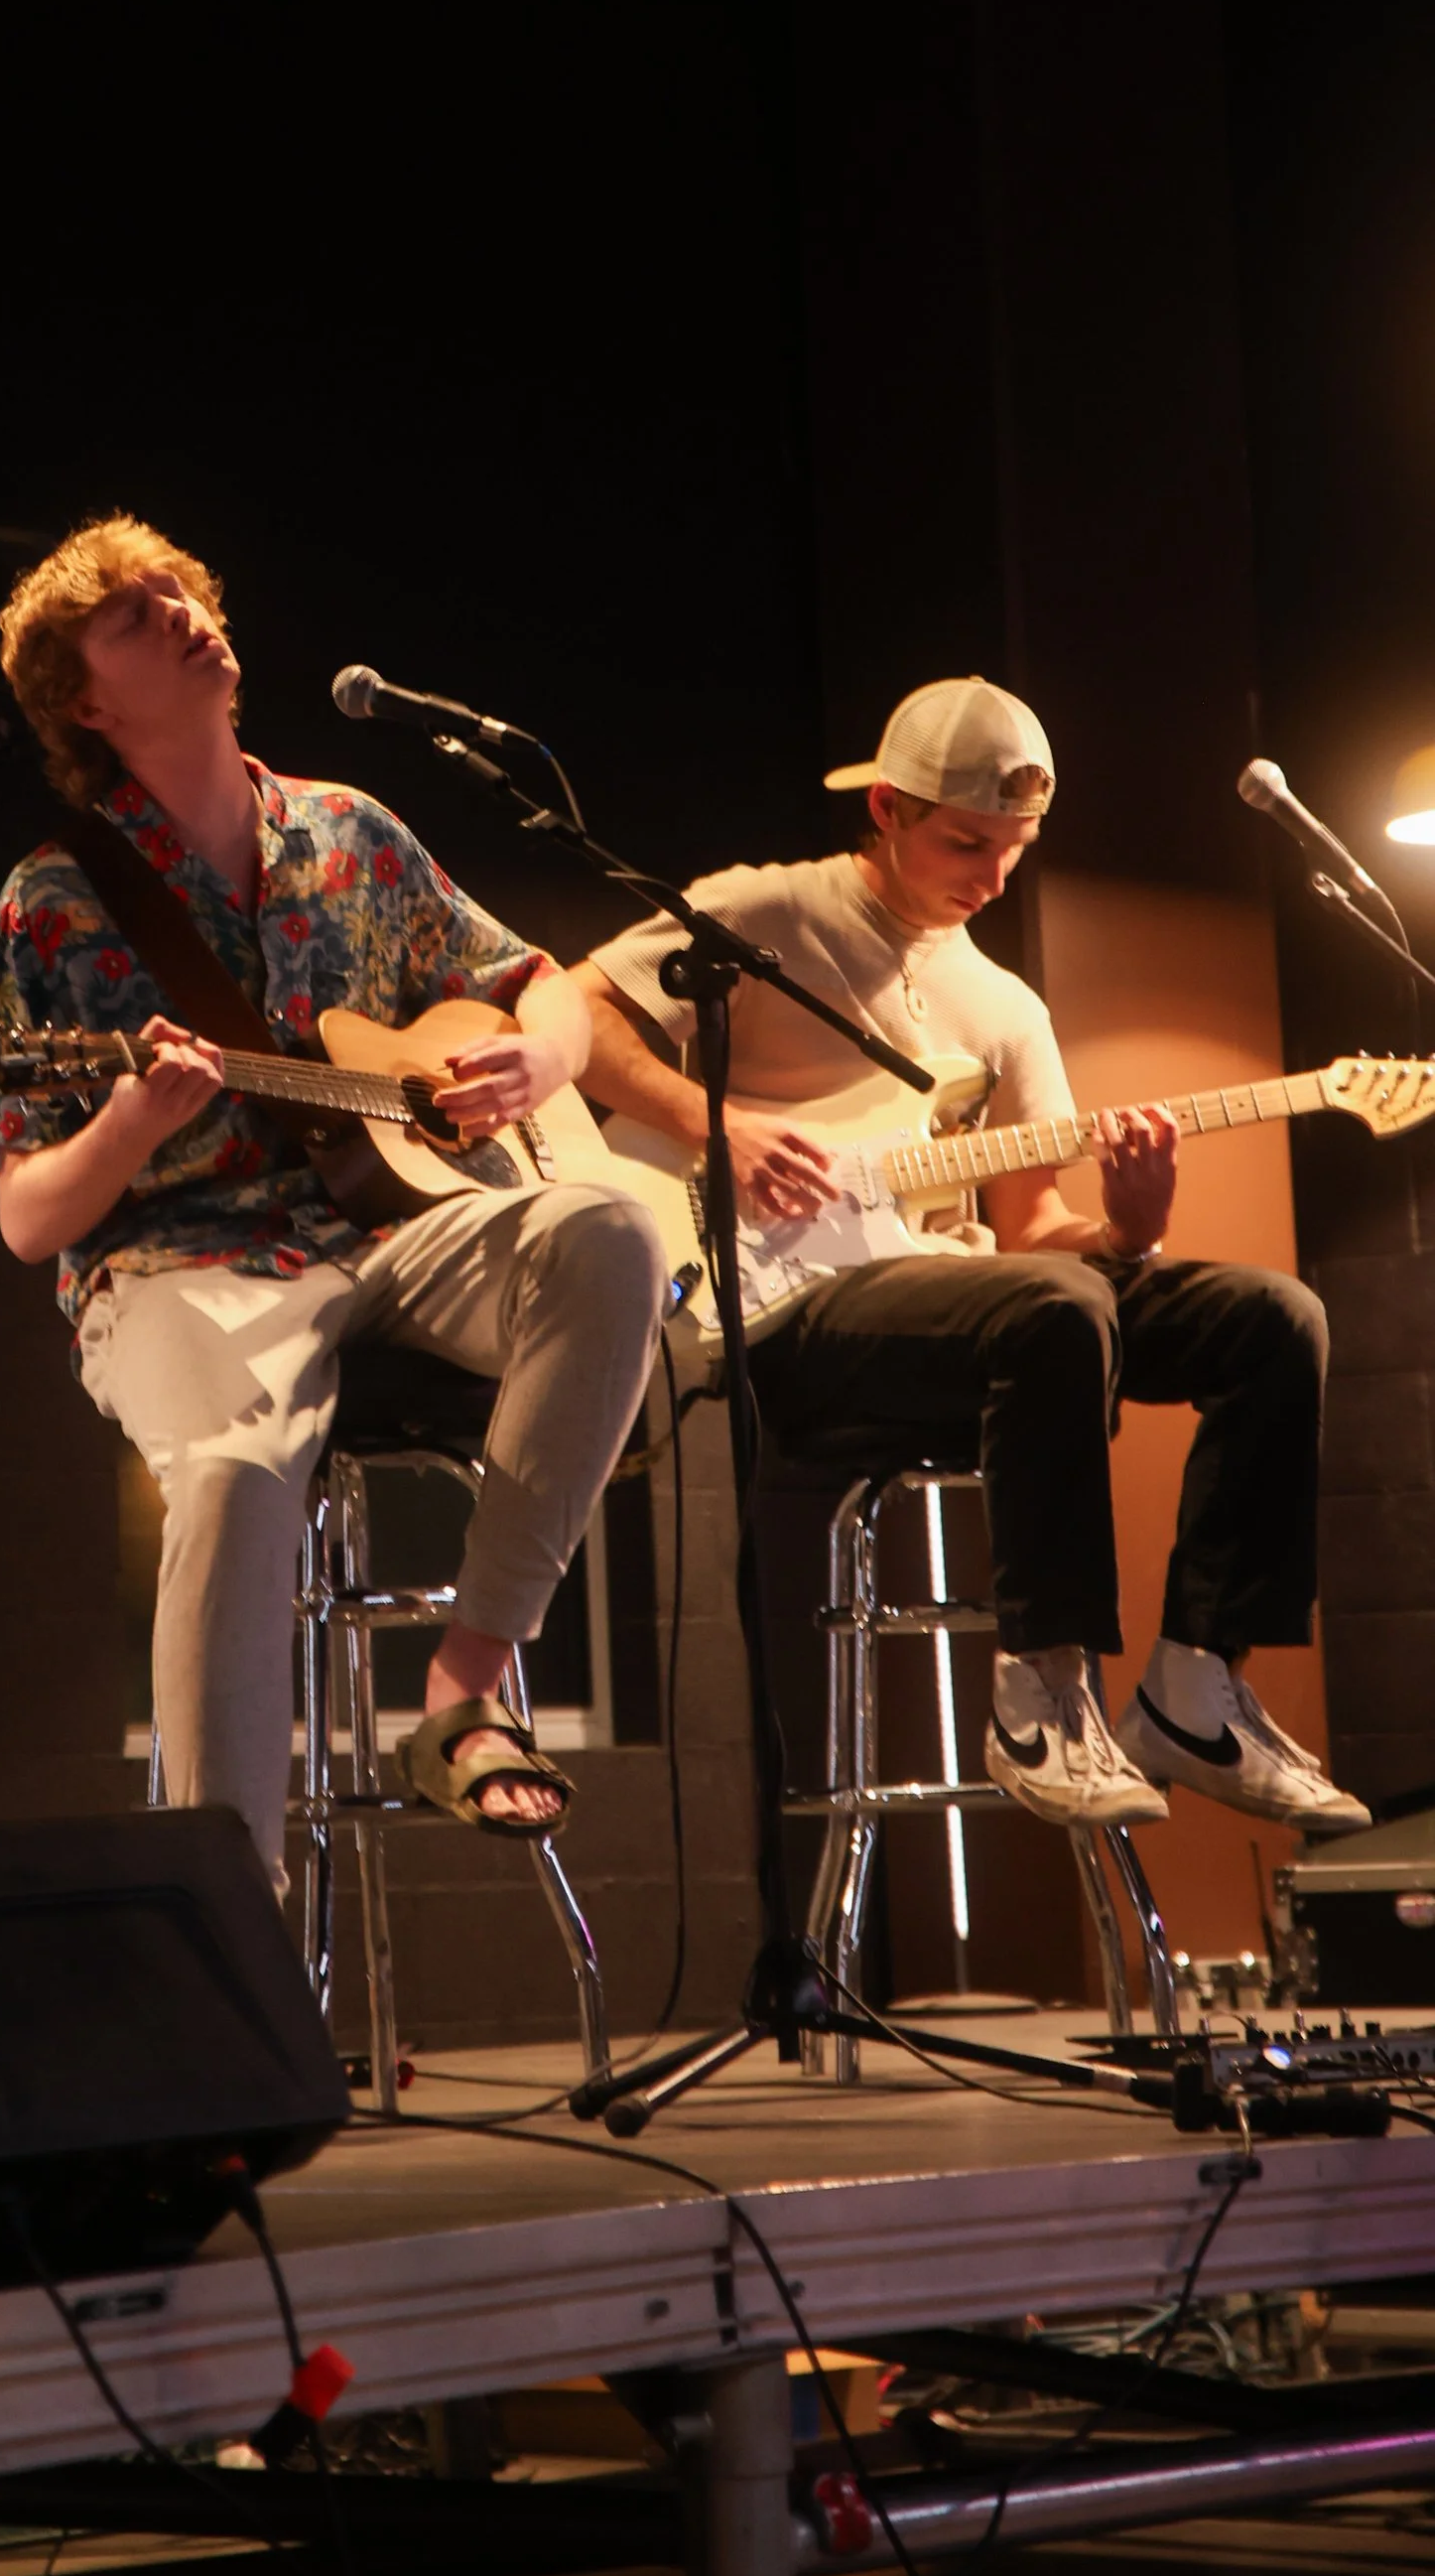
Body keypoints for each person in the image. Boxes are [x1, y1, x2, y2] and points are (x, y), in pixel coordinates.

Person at [0, 514, 666, 1882]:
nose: (176, 609)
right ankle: (231, 1933)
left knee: (615, 1223)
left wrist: (544, 1057)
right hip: (176, 1264)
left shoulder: (352, 832)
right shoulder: (53, 902)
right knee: (226, 1477)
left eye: (179, 588)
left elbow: (542, 980)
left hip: (392, 1232)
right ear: (88, 701)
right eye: (131, 613)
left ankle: (465, 1685)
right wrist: (127, 1117)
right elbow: (29, 1216)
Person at [574, 675, 1365, 1834]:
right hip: (796, 1315)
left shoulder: (1003, 1006)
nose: (992, 877)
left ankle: (1195, 1685)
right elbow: (572, 1015)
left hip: (966, 1301)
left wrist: (1130, 1227)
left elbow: (1038, 1231)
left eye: (1015, 849)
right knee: (1052, 1310)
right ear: (886, 809)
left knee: (1270, 1315)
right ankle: (1040, 1693)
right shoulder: (762, 912)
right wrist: (720, 1127)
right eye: (964, 842)